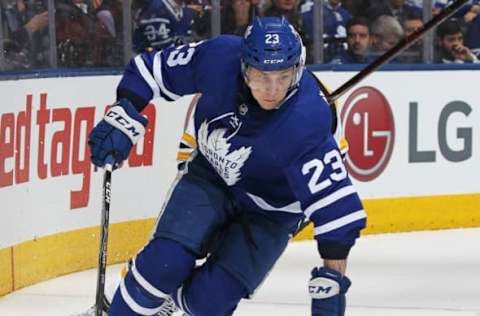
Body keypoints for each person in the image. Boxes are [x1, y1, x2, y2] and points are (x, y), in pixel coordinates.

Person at [88, 16, 366, 316]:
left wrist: (332, 280)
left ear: (297, 70)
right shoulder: (220, 57)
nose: (271, 90)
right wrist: (125, 110)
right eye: (261, 76)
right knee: (164, 264)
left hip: (273, 212)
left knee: (210, 302)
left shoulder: (307, 122)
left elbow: (337, 216)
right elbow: (150, 70)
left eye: (283, 76)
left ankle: (168, 296)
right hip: (213, 176)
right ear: (244, 67)